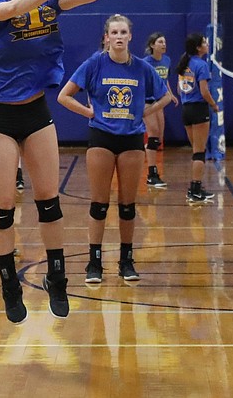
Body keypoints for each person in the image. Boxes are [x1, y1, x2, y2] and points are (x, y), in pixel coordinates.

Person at [0, 0, 144, 324]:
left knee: (49, 202)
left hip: (36, 111)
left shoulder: (46, 3)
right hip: (0, 115)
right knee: (2, 208)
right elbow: (15, 8)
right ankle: (9, 284)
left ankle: (57, 277)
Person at [58, 15, 170, 284]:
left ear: (130, 36)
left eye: (123, 32)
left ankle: (126, 261)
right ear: (106, 37)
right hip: (101, 137)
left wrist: (147, 111)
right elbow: (64, 96)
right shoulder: (95, 63)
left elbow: (166, 95)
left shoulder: (142, 68)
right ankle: (94, 264)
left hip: (131, 139)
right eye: (114, 32)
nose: (119, 37)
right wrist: (88, 111)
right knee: (99, 205)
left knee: (127, 206)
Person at [175, 33, 219, 204]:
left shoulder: (185, 62)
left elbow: (180, 90)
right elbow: (204, 91)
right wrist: (214, 105)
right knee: (199, 152)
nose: (207, 44)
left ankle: (196, 188)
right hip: (199, 109)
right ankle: (195, 190)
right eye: (204, 43)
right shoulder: (201, 65)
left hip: (186, 109)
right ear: (198, 47)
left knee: (196, 150)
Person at [142, 32, 178, 189]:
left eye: (164, 42)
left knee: (158, 137)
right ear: (152, 45)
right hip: (147, 101)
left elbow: (165, 80)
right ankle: (151, 174)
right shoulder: (145, 63)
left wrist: (170, 94)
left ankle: (148, 164)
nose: (164, 44)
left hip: (160, 100)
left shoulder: (167, 60)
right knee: (153, 134)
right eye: (160, 42)